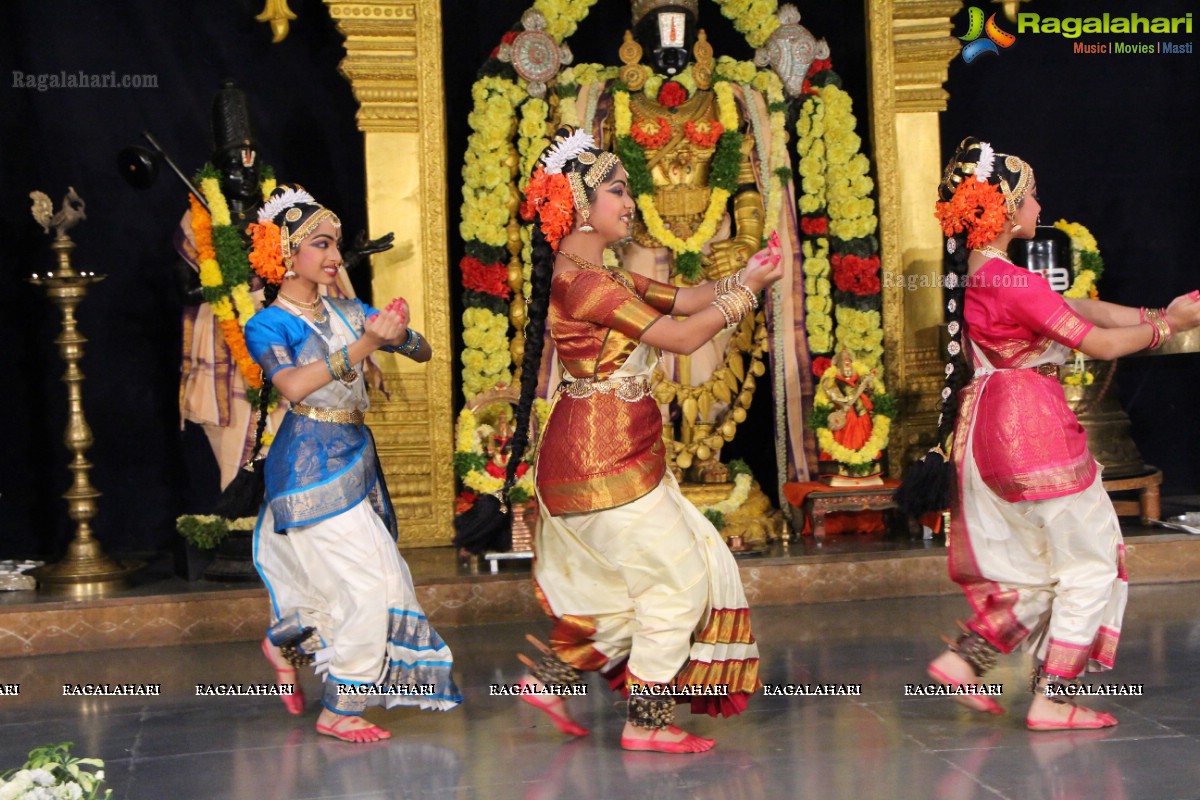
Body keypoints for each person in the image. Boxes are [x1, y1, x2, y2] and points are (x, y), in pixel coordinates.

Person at [904, 137, 1200, 730]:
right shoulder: (1014, 282)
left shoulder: (987, 276)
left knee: (1033, 568)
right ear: (1006, 211)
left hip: (985, 429)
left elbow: (1082, 309)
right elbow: (1098, 344)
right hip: (1030, 428)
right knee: (1090, 563)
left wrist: (1158, 315)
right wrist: (1170, 330)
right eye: (1030, 195)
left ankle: (962, 663)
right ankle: (1053, 698)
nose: (1039, 204)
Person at [504, 127, 782, 753]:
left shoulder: (602, 275)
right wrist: (749, 295)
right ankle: (646, 724)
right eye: (618, 190)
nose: (630, 203)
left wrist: (748, 271)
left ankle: (552, 681)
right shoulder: (587, 285)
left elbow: (686, 299)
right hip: (601, 460)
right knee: (678, 583)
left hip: (612, 453)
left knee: (646, 583)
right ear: (579, 203)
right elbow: (682, 339)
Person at [242, 184, 462, 743]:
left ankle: (287, 637)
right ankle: (342, 706)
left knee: (385, 578)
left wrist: (401, 330)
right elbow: (293, 385)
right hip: (307, 465)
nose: (337, 257)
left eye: (336, 244)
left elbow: (422, 351)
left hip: (352, 458)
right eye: (322, 244)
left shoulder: (344, 309)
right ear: (285, 253)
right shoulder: (269, 324)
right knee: (365, 584)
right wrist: (366, 345)